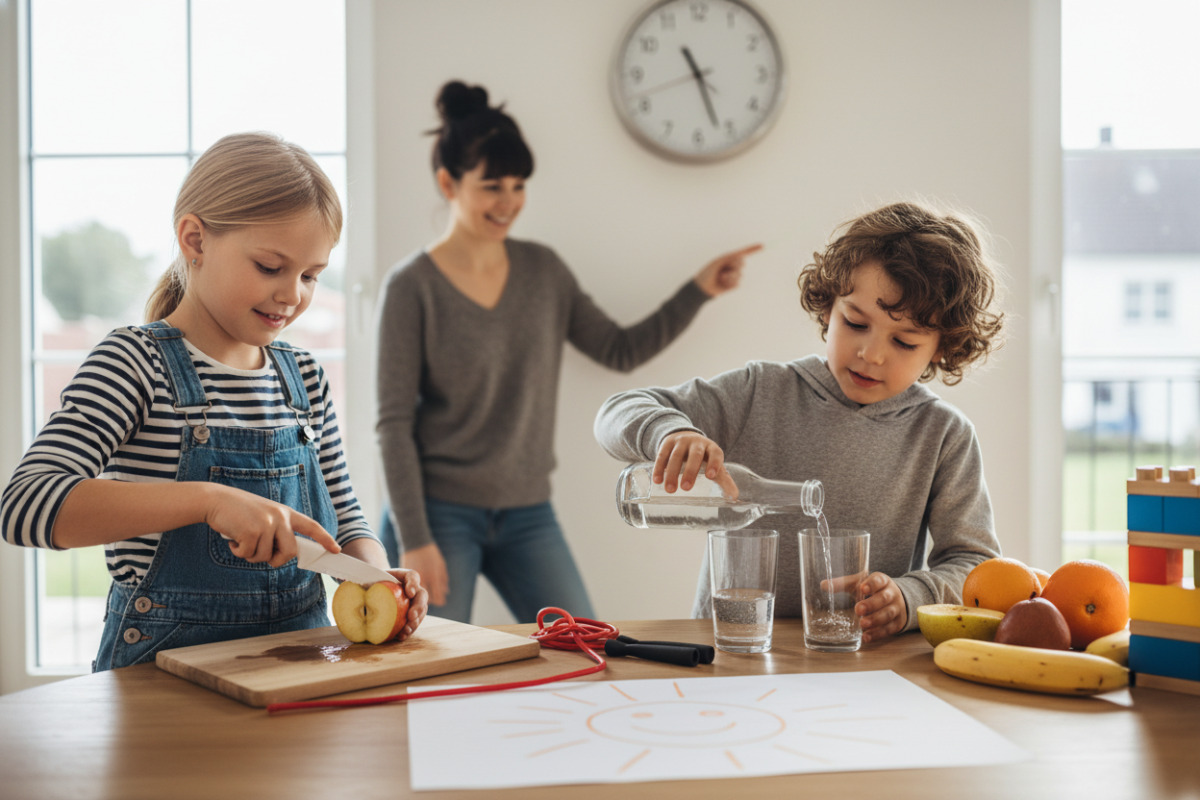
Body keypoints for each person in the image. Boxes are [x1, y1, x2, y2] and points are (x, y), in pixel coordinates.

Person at [1, 132, 427, 671]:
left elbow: (343, 518)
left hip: (299, 667)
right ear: (195, 240)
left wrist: (378, 577)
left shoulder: (305, 378)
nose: (293, 294)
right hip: (163, 676)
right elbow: (26, 507)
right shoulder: (135, 363)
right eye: (271, 267)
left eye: (311, 276)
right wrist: (208, 500)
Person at [376, 80, 761, 624]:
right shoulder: (410, 286)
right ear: (448, 182)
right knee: (433, 662)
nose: (509, 201)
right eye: (492, 186)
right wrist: (414, 539)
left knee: (583, 646)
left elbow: (619, 350)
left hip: (526, 512)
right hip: (438, 515)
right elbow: (392, 424)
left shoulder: (543, 271)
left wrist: (698, 290)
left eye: (518, 184)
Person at [594, 200, 1006, 643]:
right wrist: (669, 430)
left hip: (862, 660)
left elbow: (976, 567)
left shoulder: (943, 435)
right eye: (855, 322)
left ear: (942, 348)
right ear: (829, 307)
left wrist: (908, 597)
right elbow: (616, 412)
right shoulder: (760, 391)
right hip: (733, 646)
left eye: (905, 342)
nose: (872, 354)